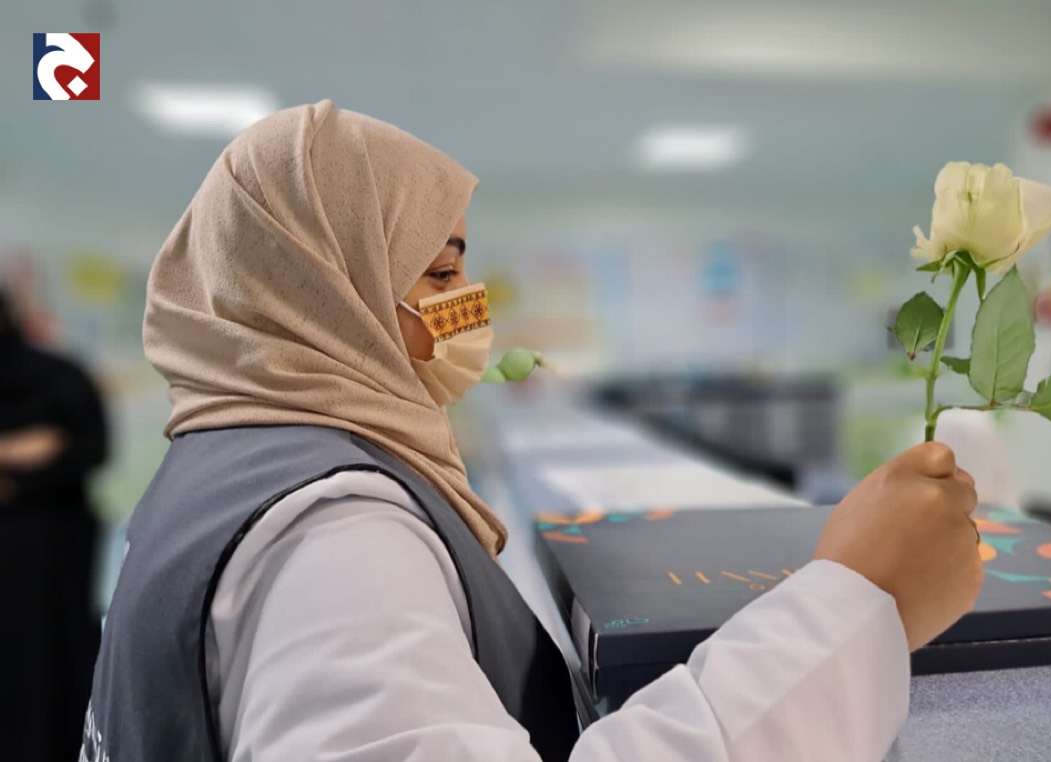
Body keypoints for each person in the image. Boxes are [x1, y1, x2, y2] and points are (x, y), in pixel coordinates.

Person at [84, 100, 983, 762]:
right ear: (323, 295)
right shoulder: (335, 538)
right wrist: (853, 604)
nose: (470, 307)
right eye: (441, 275)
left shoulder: (225, 458)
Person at [0, 288, 107, 762]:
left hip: (51, 562)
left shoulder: (58, 378)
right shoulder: (60, 377)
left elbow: (89, 449)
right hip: (49, 547)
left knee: (51, 674)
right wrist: (22, 449)